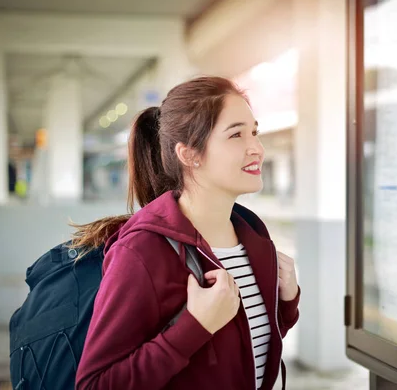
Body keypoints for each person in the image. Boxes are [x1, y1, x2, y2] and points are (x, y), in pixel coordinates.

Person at [73, 76, 301, 390]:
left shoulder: (253, 234)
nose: (256, 149)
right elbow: (95, 385)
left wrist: (285, 303)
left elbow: (243, 346)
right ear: (189, 154)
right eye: (236, 134)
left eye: (254, 132)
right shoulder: (142, 251)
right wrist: (194, 327)